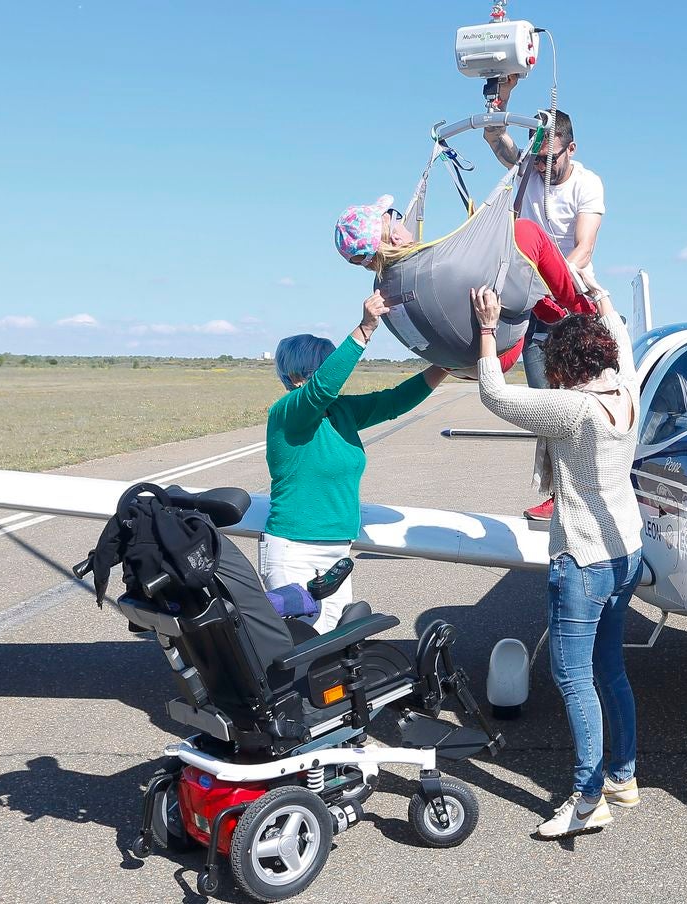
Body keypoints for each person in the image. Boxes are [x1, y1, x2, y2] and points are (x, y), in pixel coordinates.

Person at [471, 282, 643, 840]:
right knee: (610, 669)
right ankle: (623, 775)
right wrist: (599, 295)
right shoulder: (631, 386)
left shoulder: (573, 410)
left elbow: (494, 395)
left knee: (571, 675)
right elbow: (619, 331)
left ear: (566, 364)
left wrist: (488, 328)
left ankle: (588, 799)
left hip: (585, 560)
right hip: (627, 553)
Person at [263, 292, 449, 632]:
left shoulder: (340, 412)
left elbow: (393, 402)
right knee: (295, 646)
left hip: (337, 551)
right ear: (299, 377)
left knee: (333, 646)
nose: (333, 379)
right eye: (323, 367)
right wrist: (365, 329)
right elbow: (322, 388)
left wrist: (444, 365)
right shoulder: (288, 413)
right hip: (294, 551)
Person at [484, 77, 606, 520]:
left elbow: (583, 249)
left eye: (549, 159)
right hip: (533, 300)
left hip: (572, 296)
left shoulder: (588, 184)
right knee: (545, 403)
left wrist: (555, 287)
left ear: (570, 148)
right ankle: (559, 494)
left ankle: (591, 488)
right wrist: (502, 95)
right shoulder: (528, 166)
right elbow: (494, 135)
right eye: (535, 159)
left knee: (582, 399)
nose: (541, 168)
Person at [334, 194, 596, 328]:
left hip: (463, 358)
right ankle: (585, 311)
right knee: (525, 232)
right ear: (394, 239)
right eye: (396, 217)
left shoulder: (386, 291)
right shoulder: (430, 267)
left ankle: (554, 310)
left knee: (515, 264)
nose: (403, 220)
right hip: (496, 337)